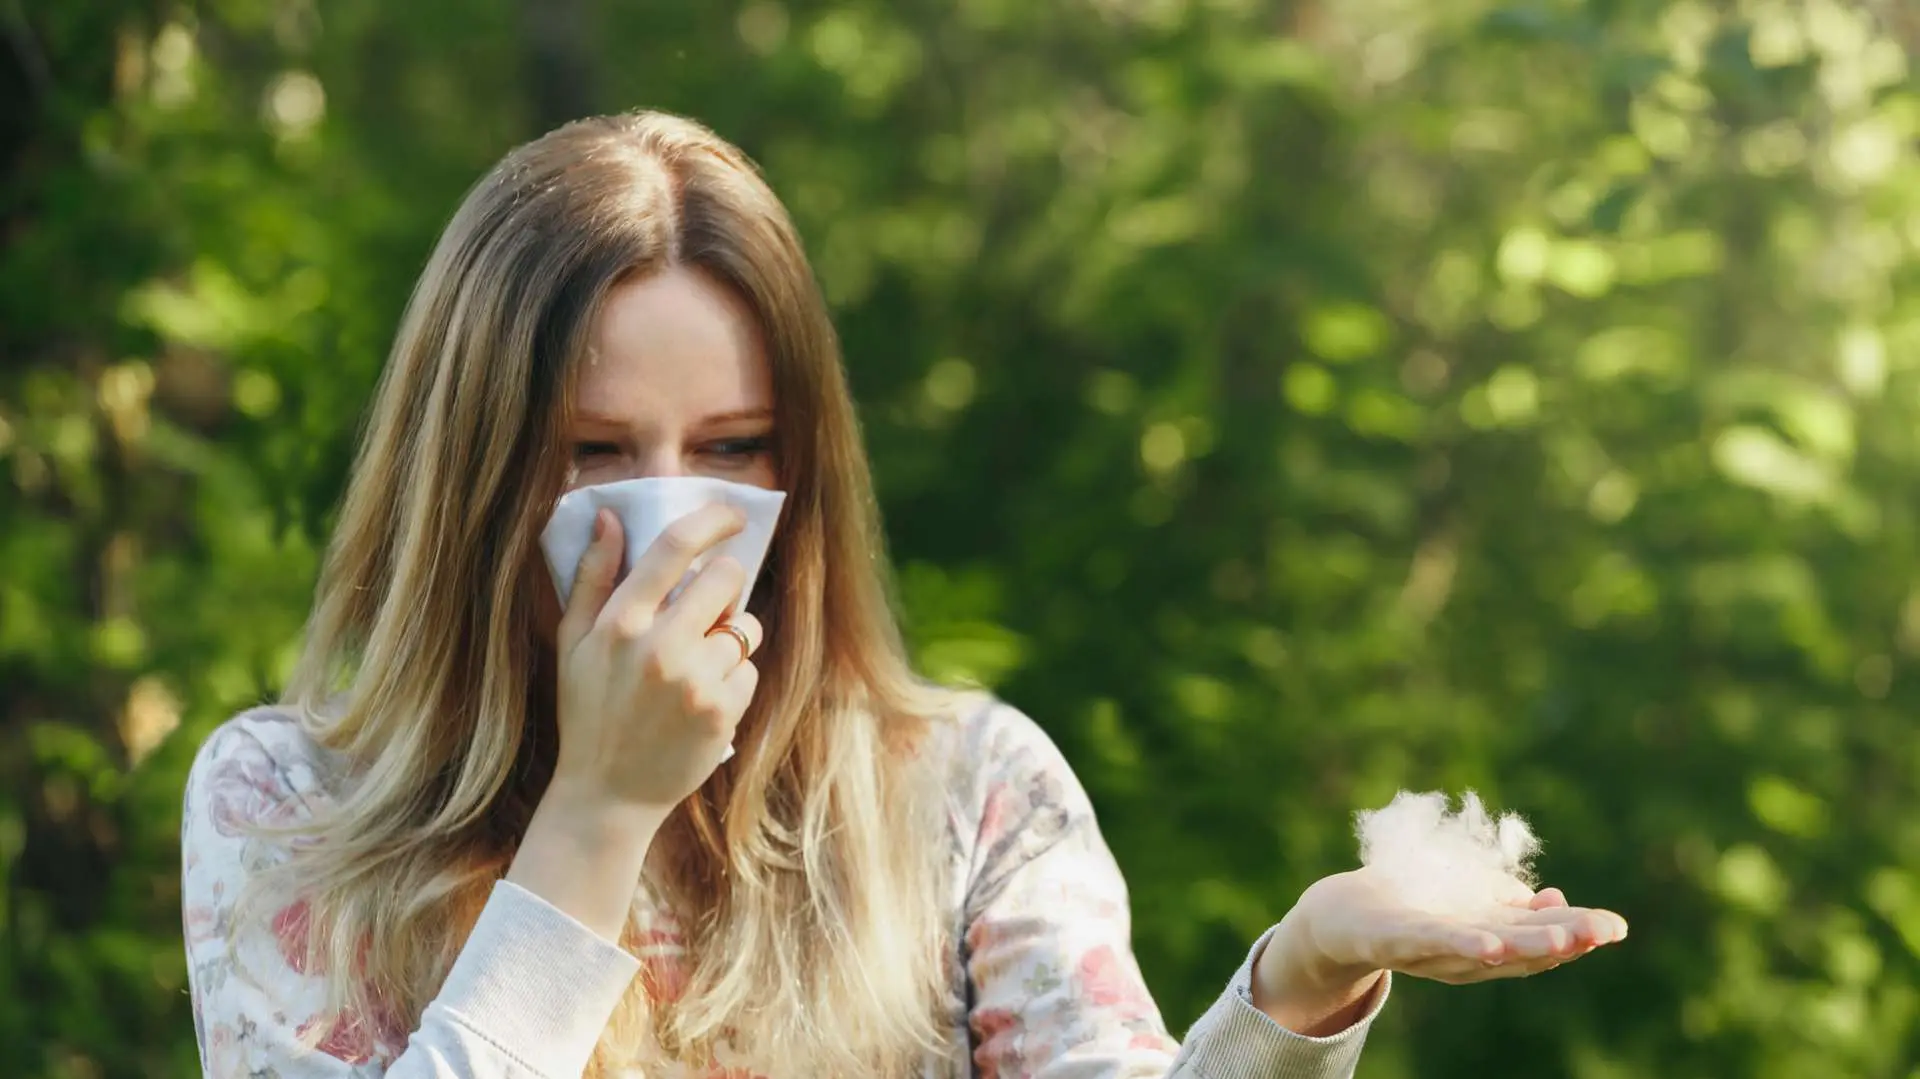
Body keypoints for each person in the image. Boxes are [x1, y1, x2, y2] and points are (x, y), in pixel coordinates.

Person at [178, 111, 1627, 1079]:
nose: (676, 511)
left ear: (804, 465)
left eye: (735, 450)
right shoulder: (288, 804)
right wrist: (598, 816)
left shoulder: (968, 789)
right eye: (595, 454)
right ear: (476, 471)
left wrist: (1300, 978)